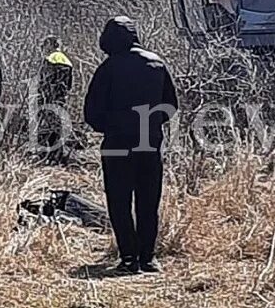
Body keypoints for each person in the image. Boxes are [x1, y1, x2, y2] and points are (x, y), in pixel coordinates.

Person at [83, 16, 178, 275]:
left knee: (119, 202)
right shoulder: (156, 63)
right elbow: (171, 105)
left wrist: (111, 126)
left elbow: (91, 112)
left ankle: (128, 258)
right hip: (150, 144)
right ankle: (148, 258)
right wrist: (151, 124)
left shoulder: (108, 68)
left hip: (117, 145)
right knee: (148, 202)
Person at [37, 35, 74, 164]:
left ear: (50, 45)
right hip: (61, 99)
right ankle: (58, 156)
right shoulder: (67, 60)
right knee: (59, 127)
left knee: (46, 128)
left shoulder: (49, 60)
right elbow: (69, 85)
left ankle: (48, 157)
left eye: (45, 45)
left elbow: (43, 82)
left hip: (48, 99)